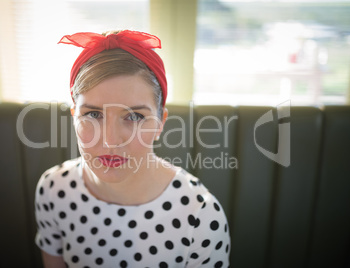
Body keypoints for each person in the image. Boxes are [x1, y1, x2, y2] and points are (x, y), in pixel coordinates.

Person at [34, 30, 230, 268]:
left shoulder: (201, 217)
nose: (110, 141)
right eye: (93, 114)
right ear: (74, 117)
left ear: (160, 124)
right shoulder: (54, 189)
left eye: (135, 116)